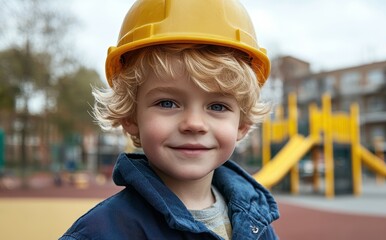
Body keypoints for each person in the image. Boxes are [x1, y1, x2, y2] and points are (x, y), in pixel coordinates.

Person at [60, 0, 279, 239]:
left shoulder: (256, 220)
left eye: (217, 106)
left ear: (242, 124)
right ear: (131, 116)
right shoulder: (101, 232)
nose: (194, 123)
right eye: (167, 103)